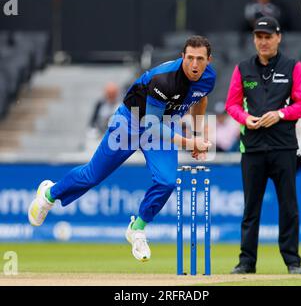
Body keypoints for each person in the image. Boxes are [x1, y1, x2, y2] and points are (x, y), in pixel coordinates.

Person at [28, 35, 216, 262]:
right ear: (182, 57)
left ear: (209, 60)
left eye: (200, 59)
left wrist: (197, 133)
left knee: (167, 181)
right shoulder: (164, 79)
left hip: (163, 126)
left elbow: (201, 99)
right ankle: (49, 194)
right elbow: (151, 126)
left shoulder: (208, 78)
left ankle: (137, 229)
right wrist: (190, 143)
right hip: (131, 122)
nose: (194, 65)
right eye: (189, 58)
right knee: (92, 175)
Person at [225, 17, 301, 274]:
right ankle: (246, 262)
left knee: (288, 206)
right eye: (258, 37)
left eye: (268, 36)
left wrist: (280, 114)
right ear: (254, 39)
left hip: (283, 147)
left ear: (278, 37)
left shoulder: (292, 66)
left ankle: (293, 262)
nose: (263, 41)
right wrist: (245, 118)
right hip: (252, 148)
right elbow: (232, 105)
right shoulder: (242, 69)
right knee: (251, 208)